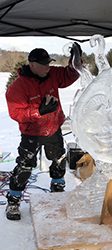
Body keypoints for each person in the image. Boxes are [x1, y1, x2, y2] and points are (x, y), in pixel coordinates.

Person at [5, 43, 82, 220]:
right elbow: (16, 113)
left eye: (48, 63)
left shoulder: (52, 74)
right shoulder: (17, 87)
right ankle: (14, 200)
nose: (48, 67)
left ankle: (57, 191)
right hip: (32, 133)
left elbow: (70, 75)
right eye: (43, 64)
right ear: (32, 64)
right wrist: (39, 112)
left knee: (58, 160)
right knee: (25, 166)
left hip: (53, 128)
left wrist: (75, 60)